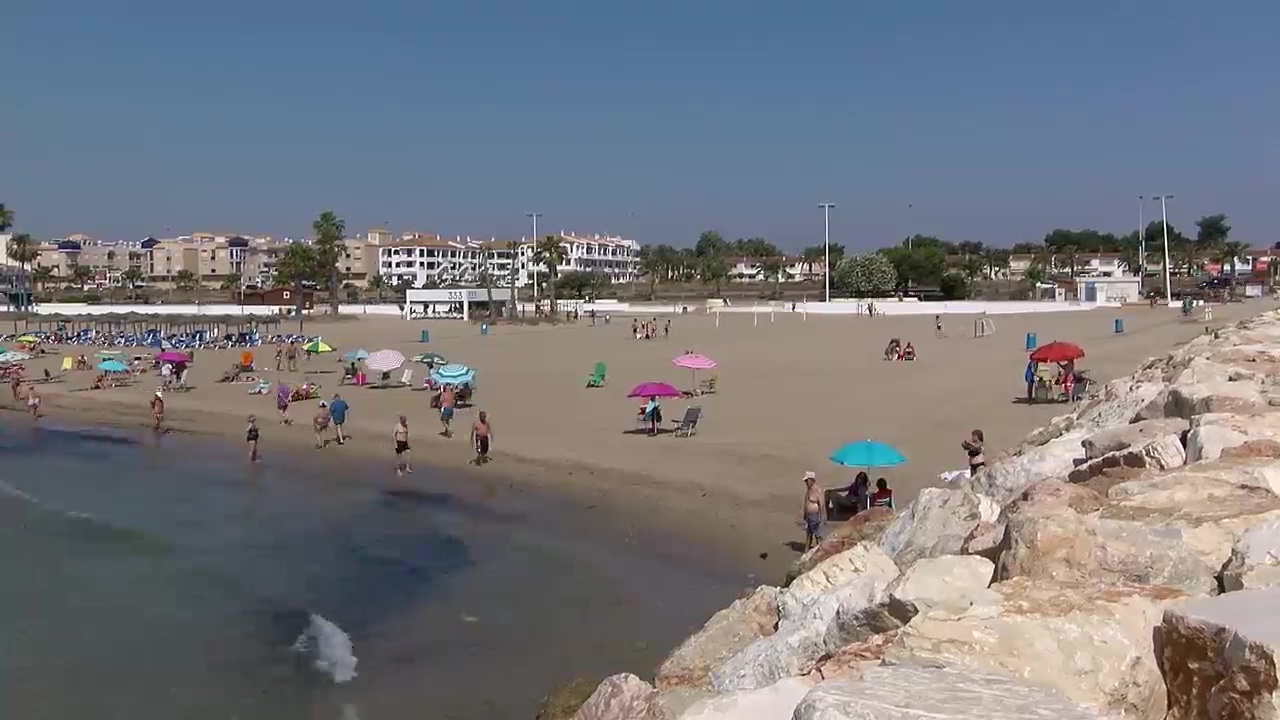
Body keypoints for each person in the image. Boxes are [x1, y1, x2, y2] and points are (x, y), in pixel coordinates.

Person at [802, 471, 824, 550]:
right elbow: (806, 501)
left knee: (817, 534)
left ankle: (821, 550)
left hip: (815, 515)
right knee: (809, 533)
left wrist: (821, 517)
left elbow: (821, 504)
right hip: (809, 515)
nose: (806, 483)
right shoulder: (809, 489)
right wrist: (805, 513)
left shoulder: (817, 490)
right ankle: (806, 550)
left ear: (811, 480)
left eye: (807, 481)